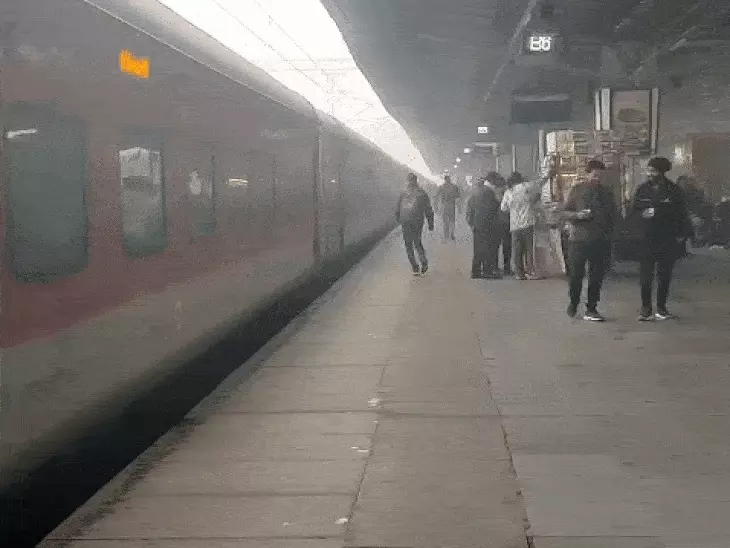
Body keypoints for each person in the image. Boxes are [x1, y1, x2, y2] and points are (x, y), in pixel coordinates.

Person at [632, 157, 692, 321]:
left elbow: (681, 214)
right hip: (646, 238)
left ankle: (661, 308)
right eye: (648, 170)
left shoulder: (674, 190)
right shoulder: (642, 189)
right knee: (645, 275)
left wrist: (682, 235)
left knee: (664, 275)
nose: (649, 174)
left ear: (662, 172)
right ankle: (645, 309)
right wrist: (640, 218)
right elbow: (635, 210)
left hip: (667, 239)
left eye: (653, 171)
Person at [561, 159, 616, 322]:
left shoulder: (607, 193)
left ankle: (592, 308)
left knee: (596, 276)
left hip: (600, 240)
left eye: (600, 176)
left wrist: (611, 235)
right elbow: (565, 212)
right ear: (587, 174)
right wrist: (577, 215)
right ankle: (574, 301)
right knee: (576, 275)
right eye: (595, 175)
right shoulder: (577, 190)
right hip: (579, 239)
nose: (597, 179)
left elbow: (613, 215)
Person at [500, 171, 546, 280]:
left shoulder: (508, 192)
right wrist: (548, 176)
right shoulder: (525, 186)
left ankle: (519, 273)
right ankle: (530, 272)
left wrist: (513, 209)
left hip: (515, 225)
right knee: (529, 249)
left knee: (517, 250)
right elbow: (539, 183)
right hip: (527, 222)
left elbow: (503, 208)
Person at [396, 172, 435, 276]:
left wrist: (399, 220)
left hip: (405, 221)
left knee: (408, 245)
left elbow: (397, 209)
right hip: (417, 221)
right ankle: (424, 262)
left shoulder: (403, 193)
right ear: (416, 180)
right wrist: (430, 223)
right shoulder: (422, 193)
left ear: (407, 181)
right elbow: (428, 209)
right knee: (417, 242)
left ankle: (415, 267)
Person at [466, 174, 502, 279]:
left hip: (477, 224)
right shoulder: (488, 193)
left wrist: (471, 223)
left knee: (477, 249)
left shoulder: (476, 192)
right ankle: (487, 271)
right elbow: (492, 209)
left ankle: (475, 271)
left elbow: (470, 208)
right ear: (492, 181)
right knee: (487, 249)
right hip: (487, 225)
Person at [435, 175, 461, 241]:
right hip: (452, 205)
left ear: (444, 179)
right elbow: (458, 197)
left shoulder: (441, 187)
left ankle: (446, 235)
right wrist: (459, 207)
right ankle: (452, 233)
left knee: (445, 221)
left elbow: (437, 196)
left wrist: (436, 207)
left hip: (444, 206)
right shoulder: (454, 187)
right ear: (449, 179)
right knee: (452, 220)